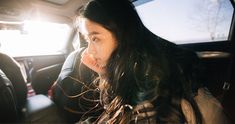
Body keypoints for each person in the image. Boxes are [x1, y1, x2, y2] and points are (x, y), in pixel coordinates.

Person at [74, 0, 230, 123]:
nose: (89, 51)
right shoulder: (134, 67)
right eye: (88, 39)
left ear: (122, 35)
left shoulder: (157, 83)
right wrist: (106, 74)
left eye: (95, 38)